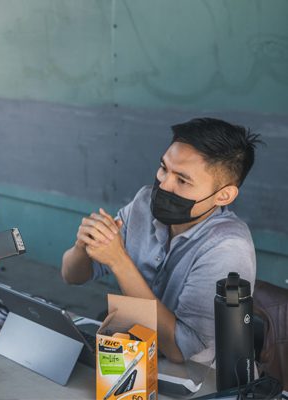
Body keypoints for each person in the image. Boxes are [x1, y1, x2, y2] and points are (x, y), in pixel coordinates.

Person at [61, 118, 262, 363]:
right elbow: (72, 276)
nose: (164, 185)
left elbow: (181, 351)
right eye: (164, 168)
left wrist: (119, 261)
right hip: (136, 350)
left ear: (223, 195)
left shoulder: (228, 247)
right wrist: (83, 246)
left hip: (197, 378)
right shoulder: (144, 203)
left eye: (183, 180)